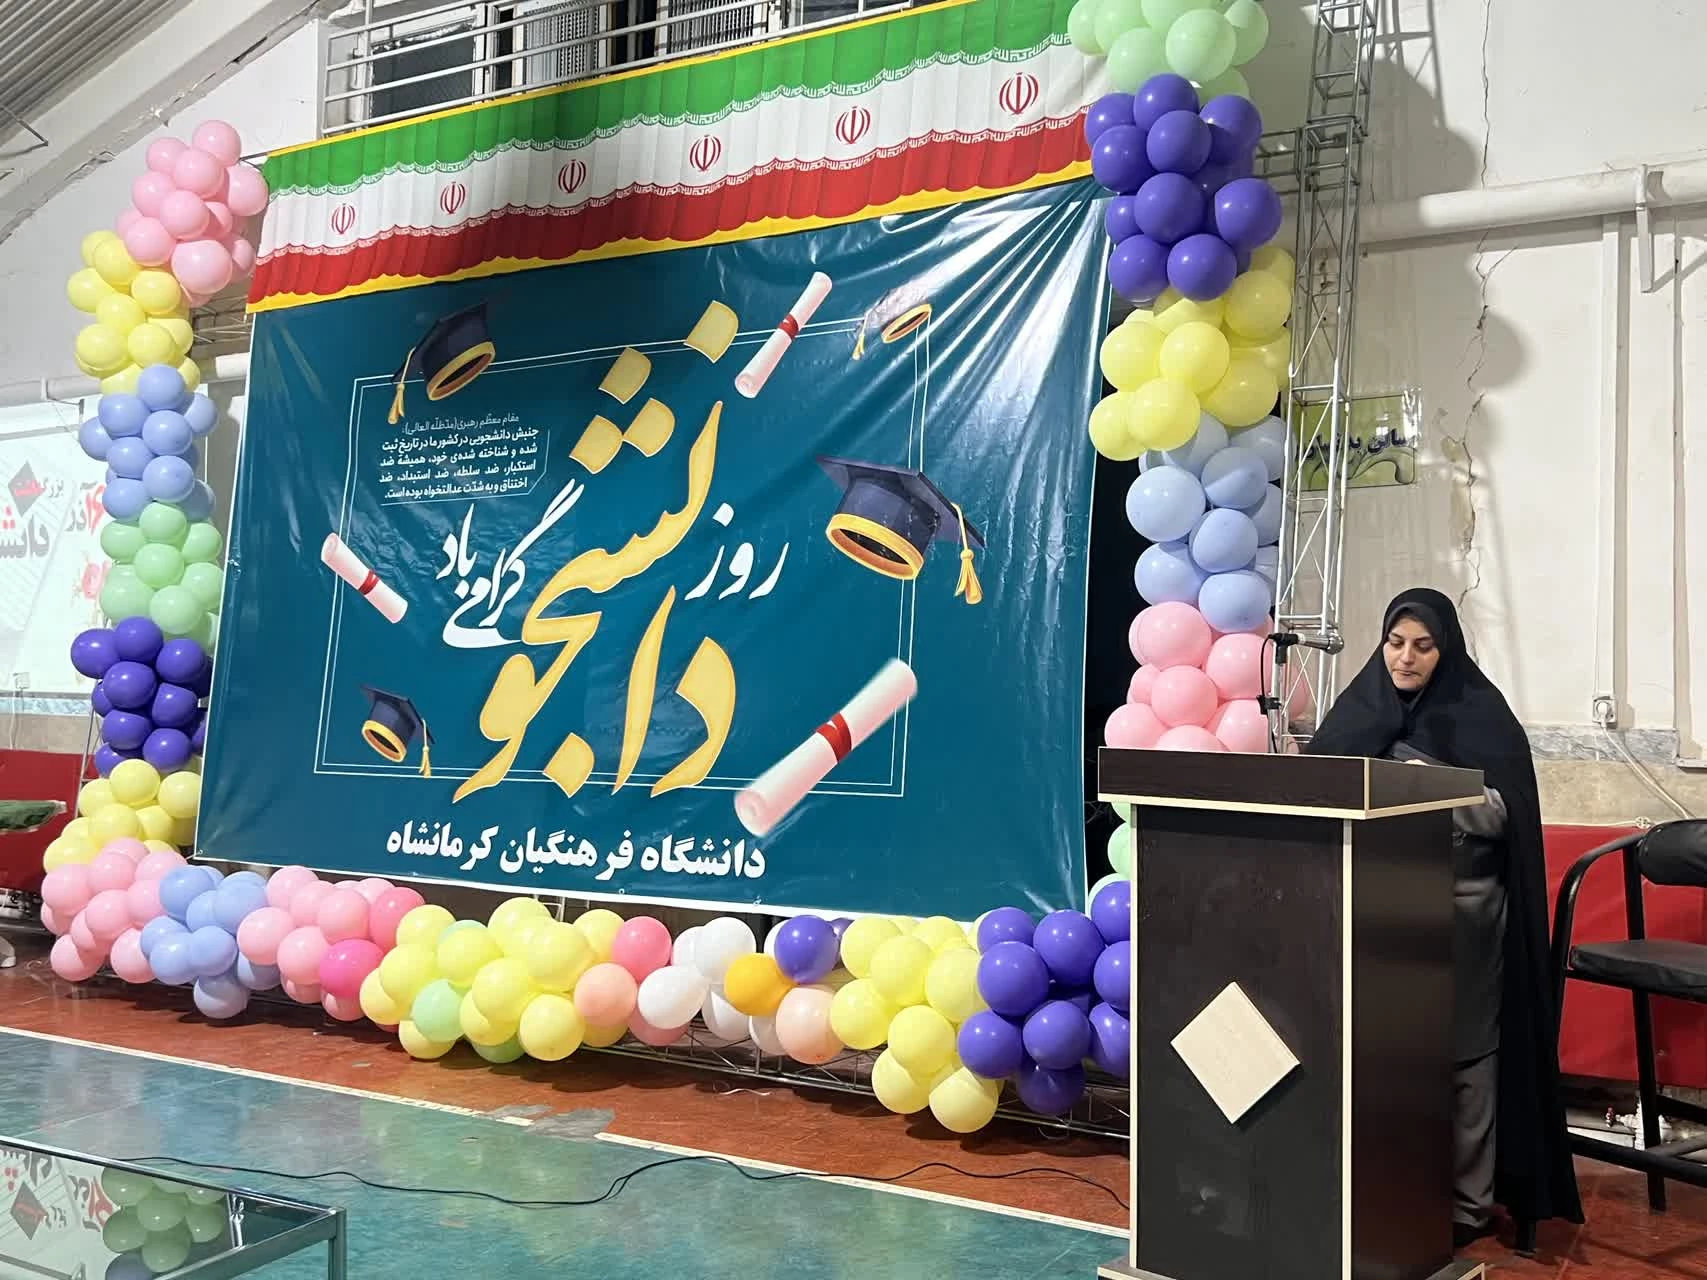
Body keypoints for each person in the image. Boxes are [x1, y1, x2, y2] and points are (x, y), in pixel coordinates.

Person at [1307, 588, 1582, 1251]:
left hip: (1463, 910)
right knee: (1381, 1056)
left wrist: (1422, 788)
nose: (1405, 658)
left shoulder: (1480, 715)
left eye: (1422, 646)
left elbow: (1505, 813)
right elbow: (1318, 781)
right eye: (1395, 643)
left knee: (1465, 1053)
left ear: (1445, 650)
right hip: (1374, 910)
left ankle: (1466, 1202)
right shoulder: (1359, 709)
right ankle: (1384, 1185)